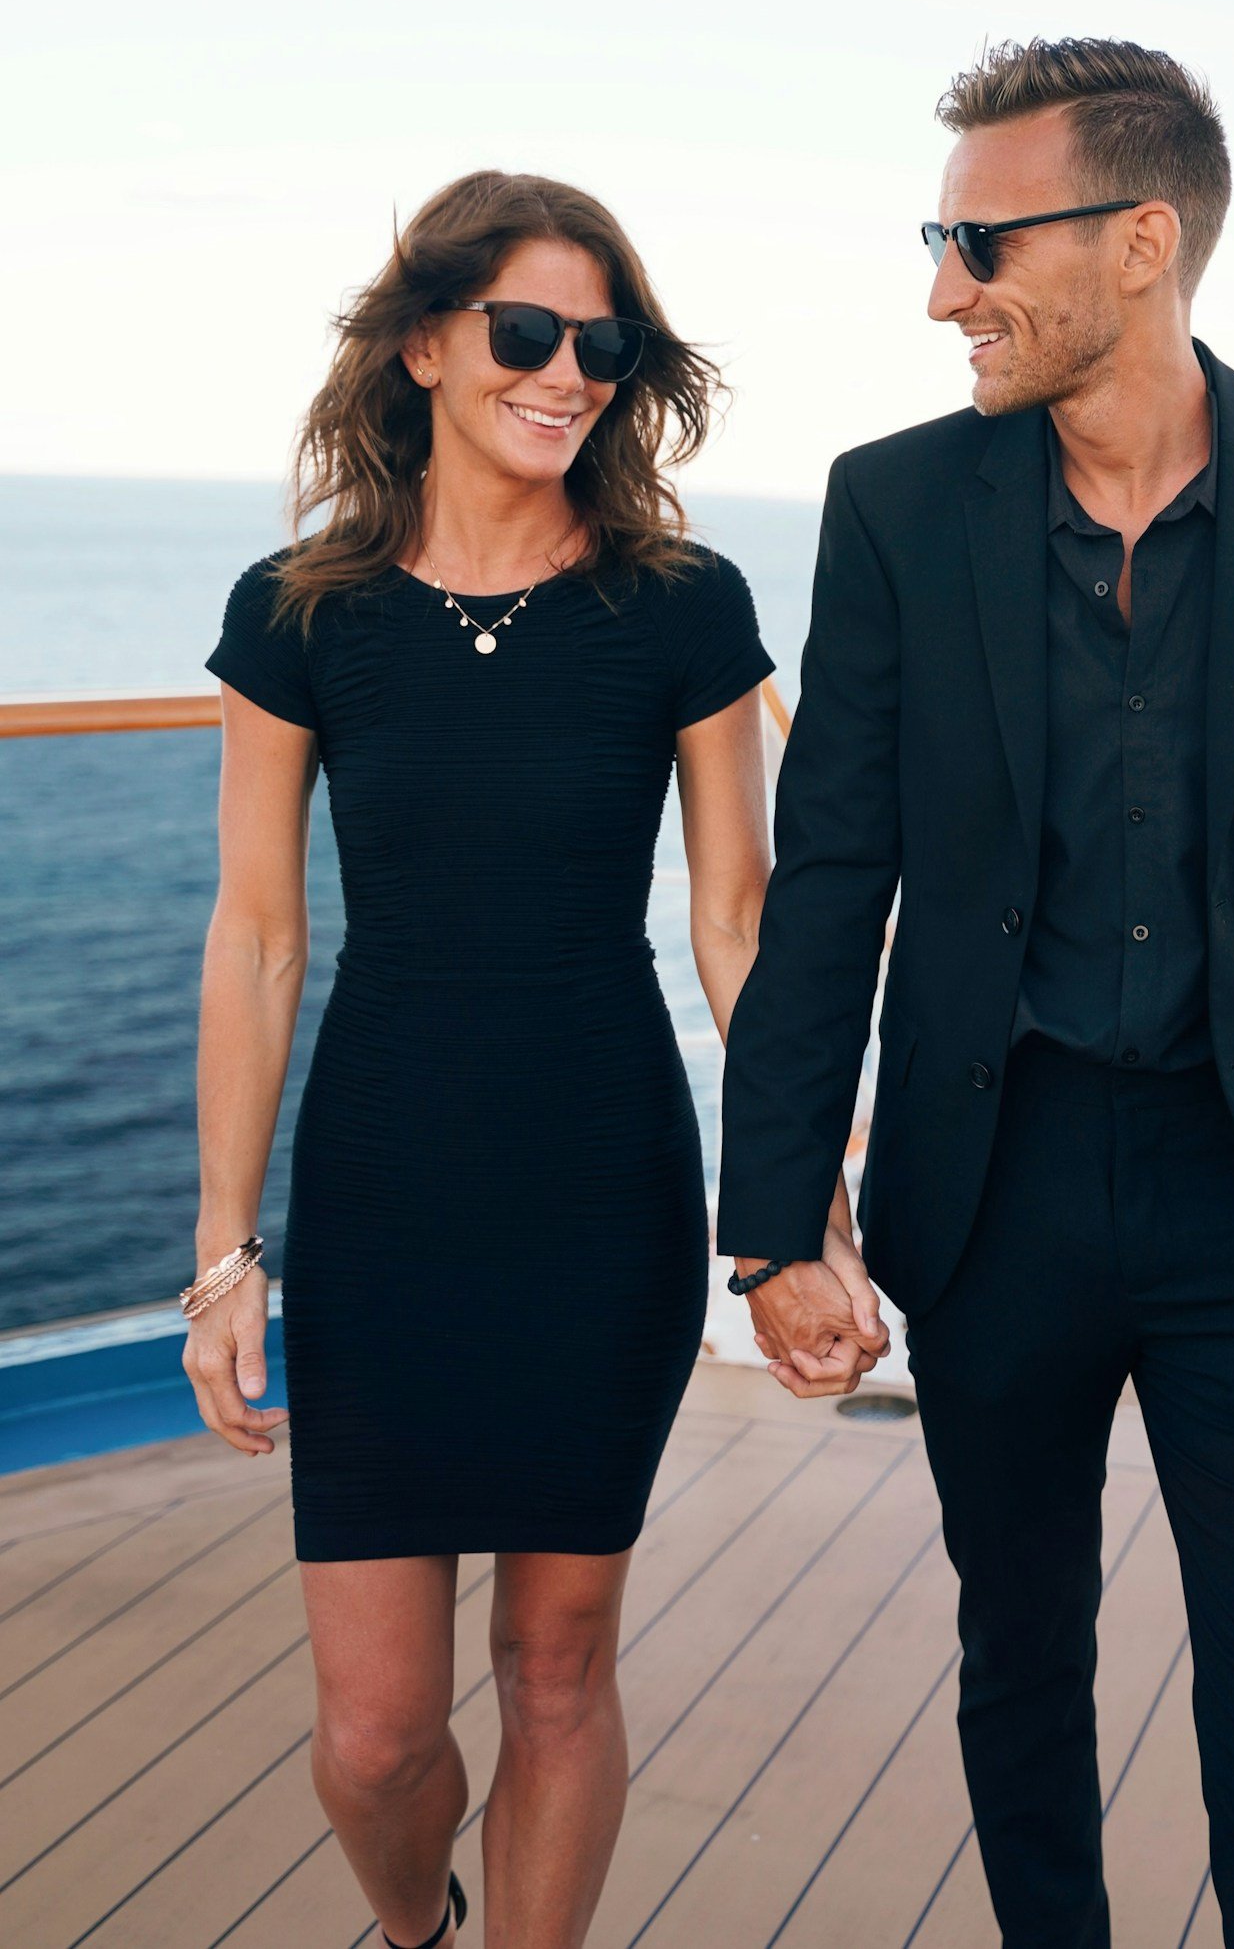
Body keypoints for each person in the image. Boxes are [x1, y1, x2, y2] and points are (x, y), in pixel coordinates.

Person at [718, 40, 1234, 1948]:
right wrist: (771, 1230)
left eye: (977, 239)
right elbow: (832, 883)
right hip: (995, 1196)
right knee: (1021, 1680)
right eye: (938, 236)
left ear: (1140, 241)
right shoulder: (896, 507)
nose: (940, 291)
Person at [183, 169, 882, 1949]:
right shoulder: (298, 613)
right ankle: (419, 1924)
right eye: (524, 332)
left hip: (601, 1181)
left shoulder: (679, 608)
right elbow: (258, 940)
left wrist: (807, 1207)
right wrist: (221, 1253)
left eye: (602, 341)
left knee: (559, 1669)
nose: (567, 370)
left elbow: (742, 925)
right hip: (387, 1178)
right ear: (424, 343)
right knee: (374, 1739)